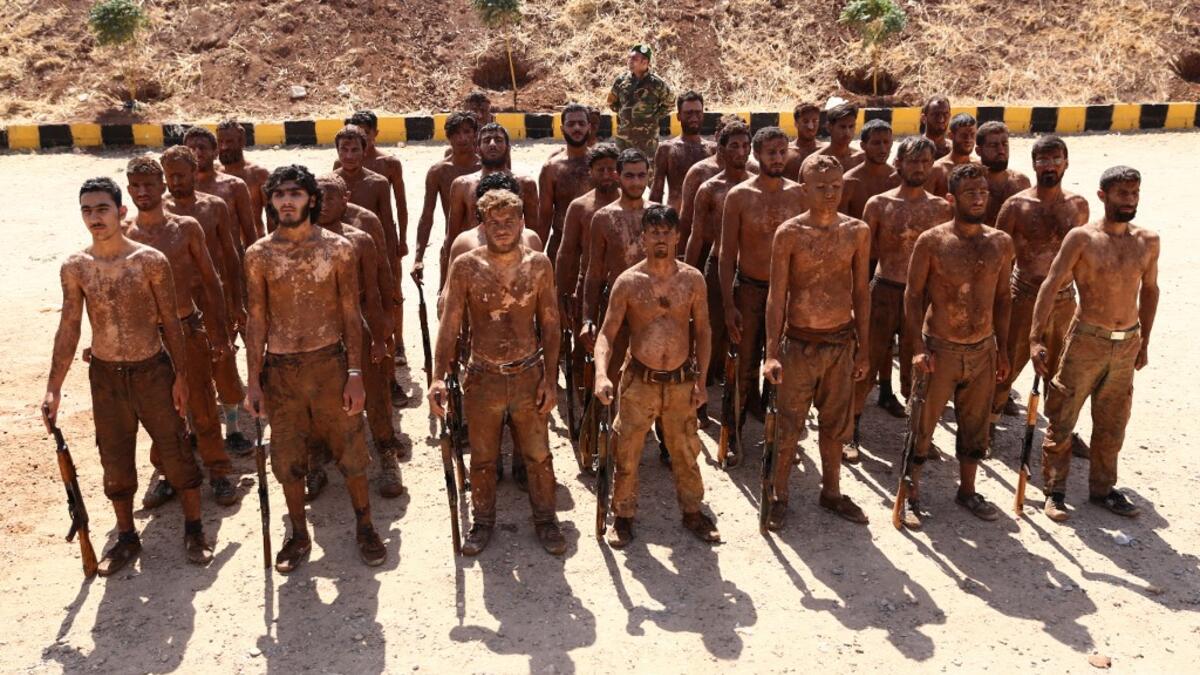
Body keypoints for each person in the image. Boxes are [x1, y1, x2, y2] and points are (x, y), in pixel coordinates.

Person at [42, 177, 213, 575]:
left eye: (102, 209)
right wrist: (54, 388)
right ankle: (126, 536)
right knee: (114, 457)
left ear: (121, 212)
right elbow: (69, 327)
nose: (94, 218)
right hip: (105, 376)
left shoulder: (149, 260)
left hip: (152, 369)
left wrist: (181, 377)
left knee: (175, 450)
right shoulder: (76, 266)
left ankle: (194, 529)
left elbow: (172, 322)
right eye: (87, 210)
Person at [243, 165, 387, 573]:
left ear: (311, 199)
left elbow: (349, 313)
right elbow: (256, 319)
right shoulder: (259, 254)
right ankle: (299, 534)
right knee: (287, 457)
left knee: (351, 452)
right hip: (282, 370)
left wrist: (355, 374)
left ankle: (365, 526)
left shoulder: (337, 248)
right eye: (279, 194)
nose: (287, 201)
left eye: (295, 193)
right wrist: (253, 381)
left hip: (330, 363)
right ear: (270, 201)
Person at [429, 189, 566, 556]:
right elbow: (450, 324)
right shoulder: (466, 266)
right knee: (483, 457)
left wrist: (551, 379)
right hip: (483, 375)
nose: (502, 228)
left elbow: (551, 324)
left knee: (538, 456)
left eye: (509, 221)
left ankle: (546, 520)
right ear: (482, 225)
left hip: (527, 373)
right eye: (494, 222)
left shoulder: (538, 264)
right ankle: (483, 520)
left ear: (522, 223)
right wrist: (439, 376)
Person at [1033, 166, 1158, 522]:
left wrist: (1144, 341)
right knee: (1062, 416)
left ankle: (1103, 490)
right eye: (1122, 194)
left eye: (1134, 193)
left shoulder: (1147, 240)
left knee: (1113, 422)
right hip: (1087, 339)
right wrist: (1034, 338)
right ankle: (1055, 491)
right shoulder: (1082, 239)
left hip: (1127, 342)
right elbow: (1051, 283)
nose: (1130, 200)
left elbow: (1150, 291)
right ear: (1103, 196)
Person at [594, 205, 720, 547]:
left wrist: (702, 380)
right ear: (643, 237)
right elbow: (606, 333)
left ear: (677, 236)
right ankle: (623, 515)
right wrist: (600, 374)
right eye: (654, 233)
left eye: (667, 232)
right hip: (639, 380)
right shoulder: (629, 282)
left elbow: (705, 331)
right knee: (627, 449)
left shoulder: (692, 279)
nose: (661, 239)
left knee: (684, 449)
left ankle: (693, 512)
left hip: (680, 381)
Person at [901, 163, 1014, 529]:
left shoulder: (1000, 242)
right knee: (922, 425)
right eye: (970, 193)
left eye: (983, 192)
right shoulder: (933, 241)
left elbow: (1002, 300)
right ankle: (910, 494)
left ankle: (967, 491)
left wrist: (1004, 350)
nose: (979, 198)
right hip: (940, 349)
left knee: (975, 425)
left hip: (982, 349)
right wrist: (917, 346)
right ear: (952, 198)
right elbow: (914, 295)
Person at [761, 154, 871, 529]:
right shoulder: (790, 233)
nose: (829, 194)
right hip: (799, 344)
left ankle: (833, 491)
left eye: (836, 187)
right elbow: (777, 295)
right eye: (821, 187)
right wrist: (772, 353)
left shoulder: (857, 231)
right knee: (788, 424)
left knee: (835, 425)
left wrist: (865, 349)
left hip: (840, 343)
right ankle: (779, 494)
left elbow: (861, 292)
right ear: (804, 189)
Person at [122, 156, 238, 508]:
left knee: (201, 403)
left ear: (162, 187)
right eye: (136, 186)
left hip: (188, 327)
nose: (143, 192)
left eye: (149, 184)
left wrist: (220, 332)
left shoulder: (185, 228)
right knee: (160, 410)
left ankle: (218, 471)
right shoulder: (124, 233)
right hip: (148, 338)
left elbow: (211, 279)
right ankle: (166, 474)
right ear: (129, 190)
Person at [307, 174, 404, 501]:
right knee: (317, 395)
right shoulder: (297, 239)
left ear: (344, 199)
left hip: (359, 322)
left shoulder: (360, 239)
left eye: (330, 197)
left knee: (374, 391)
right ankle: (316, 459)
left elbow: (375, 292)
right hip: (316, 328)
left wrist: (380, 336)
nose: (323, 204)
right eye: (317, 197)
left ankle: (386, 453)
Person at [718, 127, 808, 464]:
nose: (778, 158)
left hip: (786, 293)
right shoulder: (739, 196)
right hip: (750, 291)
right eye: (771, 152)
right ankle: (732, 434)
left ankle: (777, 438)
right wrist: (728, 304)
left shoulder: (799, 194)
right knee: (741, 365)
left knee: (783, 366)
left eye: (782, 151)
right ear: (756, 154)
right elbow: (727, 255)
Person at [852, 138, 953, 426]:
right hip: (884, 289)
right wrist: (856, 298)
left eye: (925, 161)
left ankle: (917, 435)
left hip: (921, 295)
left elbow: (943, 259)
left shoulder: (940, 209)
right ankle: (852, 431)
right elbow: (862, 256)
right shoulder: (879, 204)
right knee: (866, 361)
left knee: (919, 367)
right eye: (912, 161)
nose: (919, 167)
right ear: (898, 164)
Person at [161, 145, 251, 457]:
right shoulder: (158, 212)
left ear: (194, 171)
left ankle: (235, 428)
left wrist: (238, 301)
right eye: (169, 176)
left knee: (223, 360)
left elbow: (231, 253)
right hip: (178, 303)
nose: (175, 181)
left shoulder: (214, 207)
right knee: (180, 366)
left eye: (181, 175)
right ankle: (189, 431)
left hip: (215, 296)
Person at [992, 136, 1089, 423]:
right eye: (1043, 160)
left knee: (1062, 371)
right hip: (1023, 297)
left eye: (1056, 159)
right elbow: (1000, 259)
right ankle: (988, 424)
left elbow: (1083, 258)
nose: (1050, 166)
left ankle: (1060, 433)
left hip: (1064, 300)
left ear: (1066, 163)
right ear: (1034, 164)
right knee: (1006, 364)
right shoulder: (1016, 206)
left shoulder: (1078, 206)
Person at [682, 121, 753, 408]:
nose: (741, 151)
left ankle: (747, 398)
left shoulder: (758, 182)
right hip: (715, 266)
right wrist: (685, 277)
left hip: (748, 271)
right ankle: (701, 394)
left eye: (745, 145)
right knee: (708, 331)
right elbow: (696, 236)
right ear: (721, 149)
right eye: (734, 145)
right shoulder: (709, 188)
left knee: (747, 337)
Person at [556, 144, 621, 414]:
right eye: (600, 169)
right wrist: (562, 295)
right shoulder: (579, 207)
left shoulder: (633, 202)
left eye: (611, 169)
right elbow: (566, 253)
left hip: (623, 289)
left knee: (619, 349)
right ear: (590, 172)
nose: (606, 174)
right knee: (586, 347)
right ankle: (585, 407)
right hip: (588, 287)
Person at [444, 123, 540, 284]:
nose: (493, 144)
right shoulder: (463, 185)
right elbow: (452, 236)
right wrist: (445, 283)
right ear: (477, 148)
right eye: (487, 140)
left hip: (515, 267)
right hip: (474, 266)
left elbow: (533, 233)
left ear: (508, 147)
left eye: (498, 140)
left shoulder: (525, 184)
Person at [415, 112, 481, 280]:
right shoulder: (439, 172)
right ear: (448, 137)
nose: (462, 138)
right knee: (447, 301)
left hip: (484, 247)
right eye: (456, 133)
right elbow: (427, 215)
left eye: (467, 132)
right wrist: (418, 258)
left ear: (475, 134)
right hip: (452, 245)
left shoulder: (486, 168)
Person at [677, 113, 759, 249]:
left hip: (746, 252)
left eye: (742, 143)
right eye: (728, 139)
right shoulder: (700, 172)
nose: (738, 150)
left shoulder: (754, 172)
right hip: (707, 247)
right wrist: (680, 257)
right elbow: (686, 219)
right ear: (717, 137)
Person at [182, 126, 259, 248]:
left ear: (215, 151)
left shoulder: (234, 186)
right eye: (191, 149)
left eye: (202, 147)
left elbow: (249, 231)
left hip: (230, 263)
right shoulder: (179, 189)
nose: (197, 152)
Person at [538, 103, 593, 262]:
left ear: (589, 127)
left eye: (581, 124)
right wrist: (537, 254)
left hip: (596, 245)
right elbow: (545, 216)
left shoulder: (601, 166)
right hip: (562, 245)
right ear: (562, 129)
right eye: (570, 124)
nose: (577, 128)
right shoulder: (551, 169)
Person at [650, 90, 716, 211]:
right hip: (675, 221)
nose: (694, 118)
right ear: (678, 116)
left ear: (703, 114)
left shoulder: (713, 150)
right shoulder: (667, 149)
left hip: (705, 222)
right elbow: (657, 191)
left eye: (698, 113)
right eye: (688, 113)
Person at [607, 43, 673, 161]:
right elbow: (611, 102)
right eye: (629, 58)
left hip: (647, 140)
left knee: (647, 173)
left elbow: (670, 102)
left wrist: (655, 116)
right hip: (624, 139)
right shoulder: (621, 81)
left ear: (645, 62)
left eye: (634, 59)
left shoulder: (657, 84)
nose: (630, 61)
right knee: (622, 171)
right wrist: (624, 113)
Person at [215, 119, 270, 236]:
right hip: (223, 249)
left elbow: (272, 218)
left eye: (229, 141)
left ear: (242, 141)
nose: (224, 147)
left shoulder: (258, 175)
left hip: (254, 245)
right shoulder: (213, 173)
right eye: (220, 141)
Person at [839, 119, 899, 220]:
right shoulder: (849, 182)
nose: (883, 149)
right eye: (876, 143)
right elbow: (841, 224)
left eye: (886, 142)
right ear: (863, 146)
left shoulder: (898, 179)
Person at [974, 121, 1031, 226]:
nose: (1001, 150)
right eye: (993, 145)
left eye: (1004, 144)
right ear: (978, 151)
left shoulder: (1021, 183)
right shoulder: (970, 184)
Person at [925, 113, 976, 198]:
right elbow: (925, 204)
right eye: (964, 135)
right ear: (951, 136)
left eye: (972, 134)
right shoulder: (937, 170)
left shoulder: (979, 166)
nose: (969, 139)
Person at [816, 103, 864, 173]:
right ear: (829, 127)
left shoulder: (861, 159)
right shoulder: (816, 161)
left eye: (851, 126)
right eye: (842, 127)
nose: (847, 132)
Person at [784, 102, 825, 181]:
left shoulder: (826, 151)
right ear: (796, 124)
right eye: (805, 122)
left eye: (815, 121)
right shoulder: (785, 152)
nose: (811, 126)